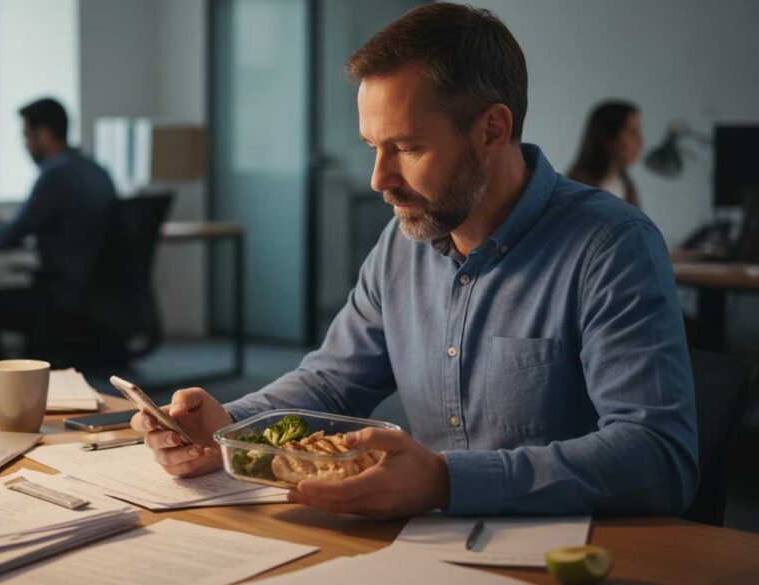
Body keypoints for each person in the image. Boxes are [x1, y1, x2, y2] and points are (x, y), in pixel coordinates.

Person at [133, 3, 698, 519]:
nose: (379, 179)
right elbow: (332, 384)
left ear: (491, 130)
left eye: (406, 148)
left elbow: (657, 456)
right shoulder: (403, 242)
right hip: (423, 547)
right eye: (372, 147)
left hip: (574, 553)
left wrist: (446, 482)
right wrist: (231, 425)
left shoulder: (610, 246)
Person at [0, 98, 117, 364]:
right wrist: (4, 224)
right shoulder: (97, 171)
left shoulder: (55, 175)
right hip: (98, 297)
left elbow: (9, 235)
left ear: (44, 134)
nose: (25, 145)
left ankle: (2, 385)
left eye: (27, 136)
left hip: (62, 298)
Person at [567, 101, 644, 207]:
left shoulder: (628, 187)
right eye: (632, 132)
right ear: (609, 137)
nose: (640, 141)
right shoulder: (577, 186)